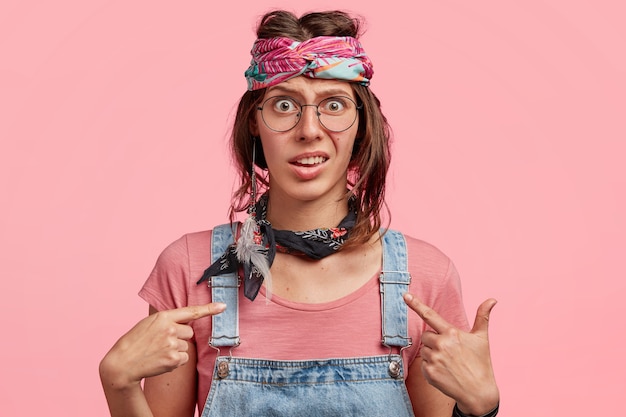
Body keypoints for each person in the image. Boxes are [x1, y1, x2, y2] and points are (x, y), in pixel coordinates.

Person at [99, 9, 500, 417]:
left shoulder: (425, 279)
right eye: (284, 104)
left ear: (362, 124)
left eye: (335, 105)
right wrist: (119, 386)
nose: (309, 129)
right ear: (254, 121)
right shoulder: (187, 270)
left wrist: (480, 409)